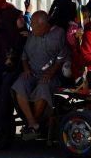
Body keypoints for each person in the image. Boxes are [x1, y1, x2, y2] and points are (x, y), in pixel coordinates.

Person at [11, 11, 69, 140]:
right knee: (20, 84)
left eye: (34, 25)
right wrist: (26, 69)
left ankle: (33, 123)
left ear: (44, 25)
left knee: (43, 87)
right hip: (33, 72)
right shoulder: (32, 35)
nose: (32, 28)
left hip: (52, 74)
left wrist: (51, 72)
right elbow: (24, 56)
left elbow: (61, 57)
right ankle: (32, 122)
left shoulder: (58, 34)